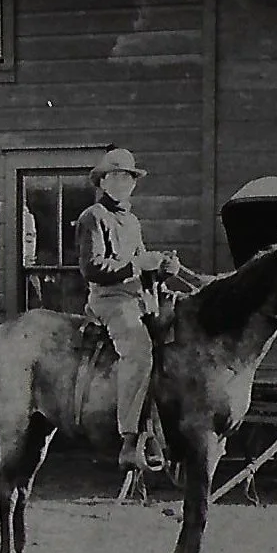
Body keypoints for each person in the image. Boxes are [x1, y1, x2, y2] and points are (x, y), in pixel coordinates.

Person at [75, 147, 179, 471]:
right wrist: (136, 265)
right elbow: (91, 268)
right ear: (103, 182)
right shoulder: (93, 217)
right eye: (114, 177)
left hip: (137, 297)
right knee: (139, 351)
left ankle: (162, 430)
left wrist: (163, 268)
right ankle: (130, 439)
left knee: (174, 336)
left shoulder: (131, 220)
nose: (121, 183)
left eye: (127, 178)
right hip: (109, 300)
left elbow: (143, 267)